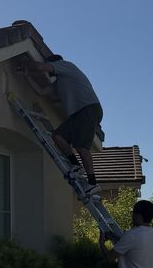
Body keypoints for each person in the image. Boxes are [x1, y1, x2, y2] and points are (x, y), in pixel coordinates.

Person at [21, 54, 103, 193]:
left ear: (55, 63)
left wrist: (27, 62)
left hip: (88, 108)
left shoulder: (66, 66)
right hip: (77, 114)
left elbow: (40, 67)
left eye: (49, 67)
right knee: (58, 136)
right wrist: (26, 75)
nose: (48, 72)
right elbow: (41, 92)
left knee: (81, 147)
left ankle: (93, 183)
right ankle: (76, 165)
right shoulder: (60, 82)